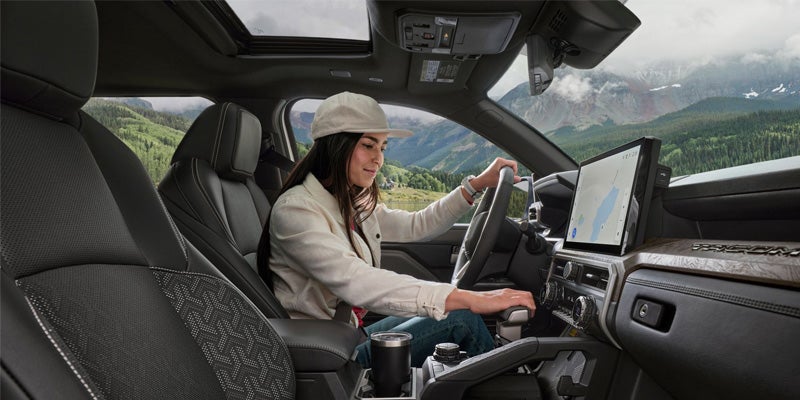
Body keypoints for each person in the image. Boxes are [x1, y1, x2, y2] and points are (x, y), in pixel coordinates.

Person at [259, 91, 535, 368]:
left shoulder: (348, 203)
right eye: (368, 145)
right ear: (336, 145)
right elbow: (358, 282)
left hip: (348, 335)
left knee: (459, 310)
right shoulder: (297, 210)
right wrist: (471, 299)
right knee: (462, 317)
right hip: (329, 356)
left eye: (382, 147)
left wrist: (472, 186)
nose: (378, 159)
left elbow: (417, 225)